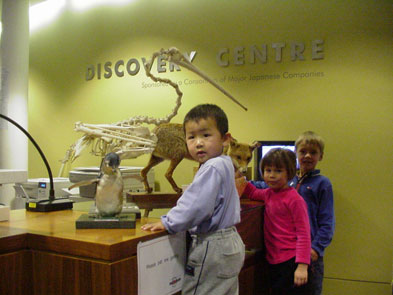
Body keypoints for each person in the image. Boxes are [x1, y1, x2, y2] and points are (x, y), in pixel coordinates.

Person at [141, 104, 245, 295]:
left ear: (225, 139)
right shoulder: (225, 164)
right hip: (230, 242)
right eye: (191, 137)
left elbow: (196, 205)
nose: (198, 143)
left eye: (206, 135)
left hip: (212, 245)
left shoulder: (212, 167)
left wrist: (169, 222)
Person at [236, 148, 311, 295]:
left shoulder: (295, 199)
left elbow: (304, 234)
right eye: (268, 170)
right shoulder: (269, 194)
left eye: (277, 171)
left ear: (289, 173)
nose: (271, 175)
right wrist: (239, 177)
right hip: (273, 260)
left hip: (291, 261)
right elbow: (251, 192)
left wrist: (302, 266)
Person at [292, 131, 335, 295]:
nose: (308, 156)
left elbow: (327, 222)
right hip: (289, 251)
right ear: (296, 153)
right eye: (303, 151)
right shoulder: (288, 180)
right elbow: (264, 186)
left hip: (311, 253)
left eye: (313, 152)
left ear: (321, 156)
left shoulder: (323, 184)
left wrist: (316, 248)